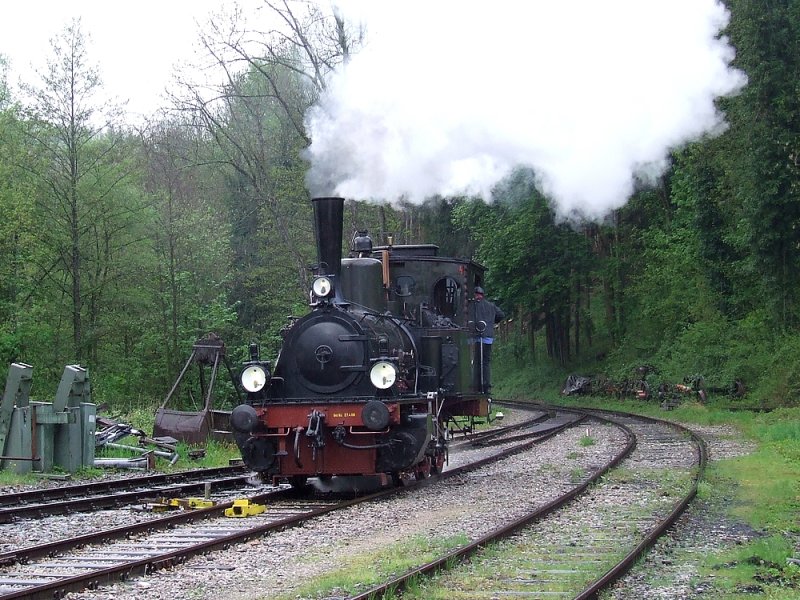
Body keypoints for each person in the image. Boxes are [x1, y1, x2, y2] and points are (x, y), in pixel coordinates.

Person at [471, 286, 505, 394]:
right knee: (486, 362)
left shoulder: (474, 306)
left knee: (477, 361)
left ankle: (477, 386)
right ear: (483, 295)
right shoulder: (491, 305)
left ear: (476, 295)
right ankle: (487, 386)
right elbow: (501, 315)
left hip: (477, 336)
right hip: (488, 337)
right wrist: (492, 322)